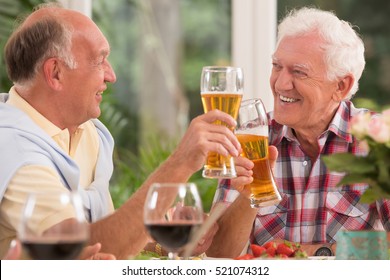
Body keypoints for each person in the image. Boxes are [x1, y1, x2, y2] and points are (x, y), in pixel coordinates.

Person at [0, 3, 240, 259]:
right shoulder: (12, 148)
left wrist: (163, 238)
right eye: (99, 60)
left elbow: (107, 234)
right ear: (56, 73)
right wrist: (181, 163)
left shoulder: (86, 132)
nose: (111, 75)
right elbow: (77, 252)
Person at [207, 7, 390, 258]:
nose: (281, 83)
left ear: (341, 85)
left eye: (299, 72)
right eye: (277, 66)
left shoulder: (378, 140)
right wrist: (248, 197)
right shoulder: (251, 138)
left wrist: (323, 253)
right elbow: (218, 254)